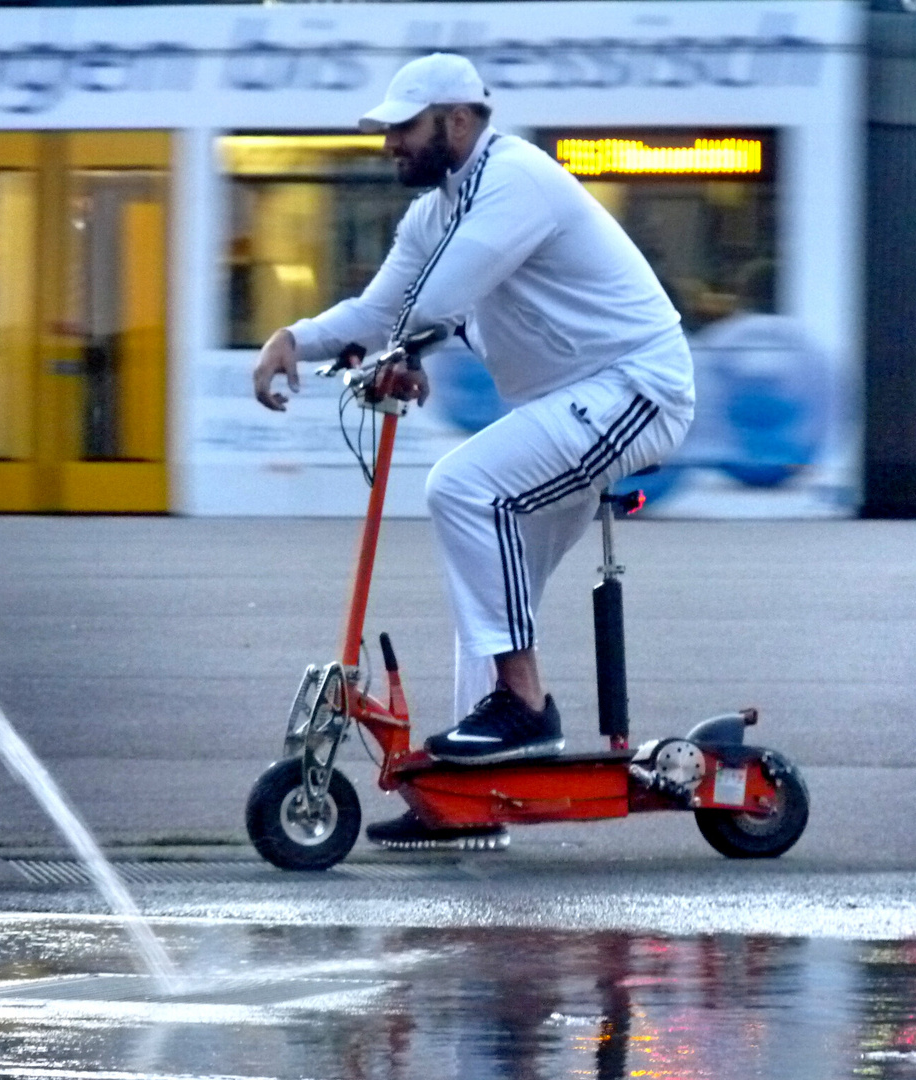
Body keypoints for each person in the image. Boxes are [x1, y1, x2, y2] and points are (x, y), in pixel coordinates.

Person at [253, 53, 694, 849]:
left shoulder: (517, 178)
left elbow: (445, 295)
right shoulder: (433, 213)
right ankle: (464, 803)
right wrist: (295, 337)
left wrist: (405, 350)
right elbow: (384, 305)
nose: (390, 143)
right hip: (570, 405)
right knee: (486, 587)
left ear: (458, 123)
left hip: (637, 387)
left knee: (463, 488)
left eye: (403, 128)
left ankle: (526, 708)